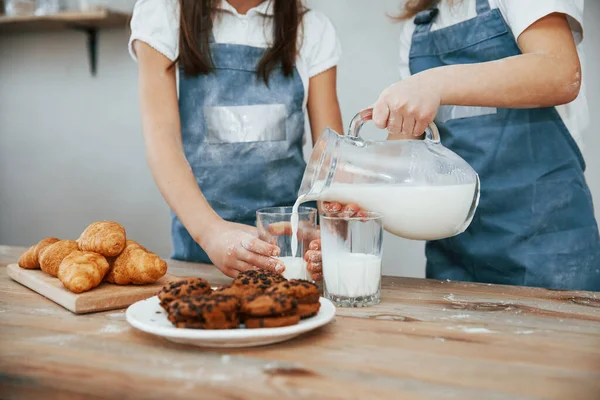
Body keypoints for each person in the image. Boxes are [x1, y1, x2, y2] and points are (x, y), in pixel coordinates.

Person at [308, 0, 600, 291]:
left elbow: (560, 72)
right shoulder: (419, 27)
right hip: (456, 252)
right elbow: (404, 149)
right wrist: (360, 186)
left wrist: (435, 83)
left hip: (546, 248)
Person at [128, 0, 343, 278]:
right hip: (201, 258)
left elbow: (330, 162)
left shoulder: (312, 28)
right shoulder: (165, 13)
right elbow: (162, 144)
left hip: (290, 260)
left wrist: (332, 235)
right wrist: (210, 232)